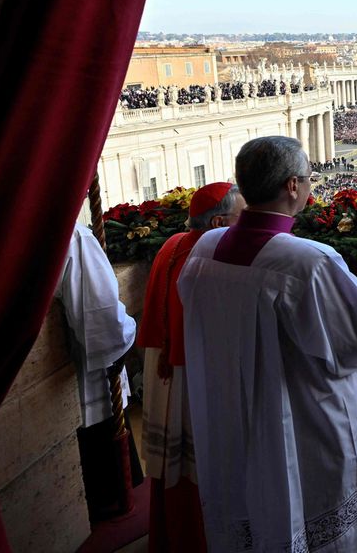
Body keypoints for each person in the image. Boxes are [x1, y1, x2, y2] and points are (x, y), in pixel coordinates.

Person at [178, 136, 357, 552]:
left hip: (233, 412)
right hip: (306, 419)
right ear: (293, 187)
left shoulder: (206, 249)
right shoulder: (308, 261)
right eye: (310, 179)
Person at [136, 182, 242, 552]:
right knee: (201, 468)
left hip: (165, 368)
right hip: (192, 374)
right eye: (240, 217)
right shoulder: (216, 256)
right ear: (217, 222)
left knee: (174, 465)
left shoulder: (172, 244)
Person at [55, 222, 141, 521]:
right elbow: (106, 325)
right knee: (112, 512)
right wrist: (132, 328)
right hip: (93, 393)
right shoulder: (72, 234)